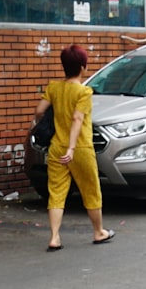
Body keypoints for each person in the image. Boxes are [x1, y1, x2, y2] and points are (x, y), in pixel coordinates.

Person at [33, 44, 115, 252]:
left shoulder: (54, 88)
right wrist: (71, 148)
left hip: (55, 148)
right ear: (82, 67)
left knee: (57, 193)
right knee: (91, 190)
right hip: (79, 149)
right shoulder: (84, 92)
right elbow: (78, 118)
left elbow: (39, 111)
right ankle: (98, 232)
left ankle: (54, 237)